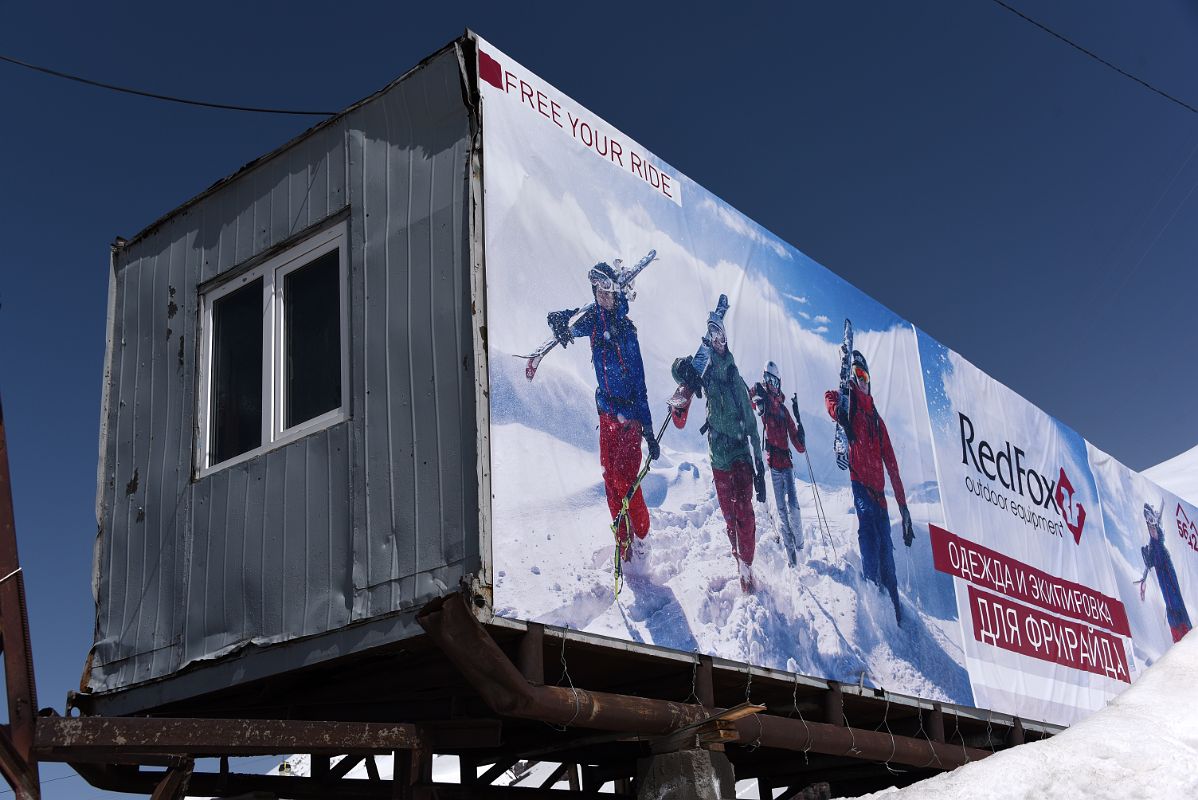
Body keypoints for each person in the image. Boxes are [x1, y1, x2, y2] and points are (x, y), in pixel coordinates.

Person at [547, 262, 659, 566]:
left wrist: (648, 428)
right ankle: (623, 541)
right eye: (597, 291)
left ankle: (644, 538)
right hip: (606, 414)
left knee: (626, 480)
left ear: (616, 292)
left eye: (606, 291)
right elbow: (573, 324)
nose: (601, 297)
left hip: (630, 418)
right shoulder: (595, 320)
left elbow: (640, 383)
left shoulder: (626, 330)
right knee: (610, 480)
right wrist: (561, 320)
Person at [672, 311, 764, 593]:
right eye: (712, 336)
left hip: (739, 453)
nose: (717, 340)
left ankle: (747, 564)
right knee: (729, 517)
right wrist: (684, 369)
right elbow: (678, 369)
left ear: (726, 339)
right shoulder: (706, 373)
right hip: (718, 456)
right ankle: (739, 557)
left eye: (720, 335)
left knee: (744, 512)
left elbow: (751, 424)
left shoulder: (737, 380)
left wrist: (759, 465)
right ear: (709, 341)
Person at [824, 350, 914, 624]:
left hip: (882, 500)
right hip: (860, 486)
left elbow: (893, 465)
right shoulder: (848, 404)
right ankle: (873, 603)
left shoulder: (877, 419)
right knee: (869, 539)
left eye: (865, 376)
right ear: (852, 378)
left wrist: (903, 507)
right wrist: (837, 411)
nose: (862, 381)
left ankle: (896, 616)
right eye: (857, 376)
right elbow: (830, 398)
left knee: (887, 552)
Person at [751, 362, 806, 567]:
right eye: (768, 380)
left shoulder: (783, 410)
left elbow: (799, 446)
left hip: (786, 464)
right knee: (782, 510)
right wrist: (756, 392)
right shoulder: (763, 402)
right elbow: (752, 403)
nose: (771, 384)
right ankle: (791, 555)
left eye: (774, 381)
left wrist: (800, 429)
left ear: (779, 383)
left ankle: (799, 545)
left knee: (793, 506)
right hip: (773, 464)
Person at [1139, 502, 1191, 643]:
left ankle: (1185, 638)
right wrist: (1147, 559)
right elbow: (1150, 562)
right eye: (1149, 525)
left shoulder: (1158, 544)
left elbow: (1159, 540)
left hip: (1166, 572)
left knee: (1176, 604)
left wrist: (1154, 526)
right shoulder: (1153, 548)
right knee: (1172, 608)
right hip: (1164, 580)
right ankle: (1180, 640)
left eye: (1151, 524)